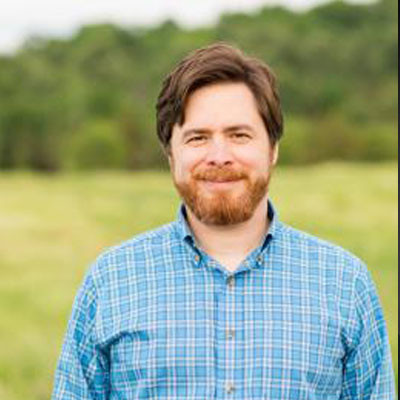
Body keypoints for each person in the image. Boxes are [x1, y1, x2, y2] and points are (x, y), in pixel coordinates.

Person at [52, 43, 396, 399]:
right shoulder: (110, 281)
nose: (219, 156)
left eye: (239, 135)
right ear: (172, 155)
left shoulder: (344, 282)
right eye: (198, 137)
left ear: (273, 148)